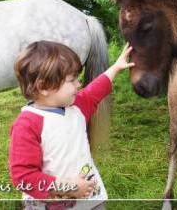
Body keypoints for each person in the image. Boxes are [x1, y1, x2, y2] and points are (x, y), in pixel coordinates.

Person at [9, 40, 134, 210]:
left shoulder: (77, 106)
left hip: (90, 197)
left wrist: (116, 68)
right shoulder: (27, 124)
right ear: (44, 86)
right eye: (72, 80)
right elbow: (24, 177)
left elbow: (95, 90)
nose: (78, 84)